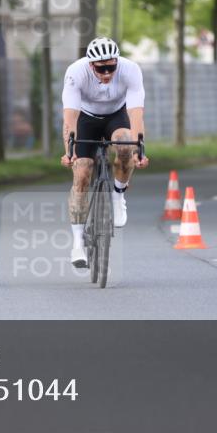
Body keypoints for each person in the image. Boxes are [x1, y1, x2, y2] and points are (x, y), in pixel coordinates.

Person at [61, 36, 149, 268]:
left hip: (116, 115)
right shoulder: (76, 72)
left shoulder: (130, 70)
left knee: (126, 145)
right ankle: (78, 243)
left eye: (112, 66)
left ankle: (118, 195)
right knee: (82, 172)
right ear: (91, 65)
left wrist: (139, 150)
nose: (107, 73)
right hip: (85, 118)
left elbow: (136, 113)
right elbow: (70, 117)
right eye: (102, 68)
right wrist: (69, 151)